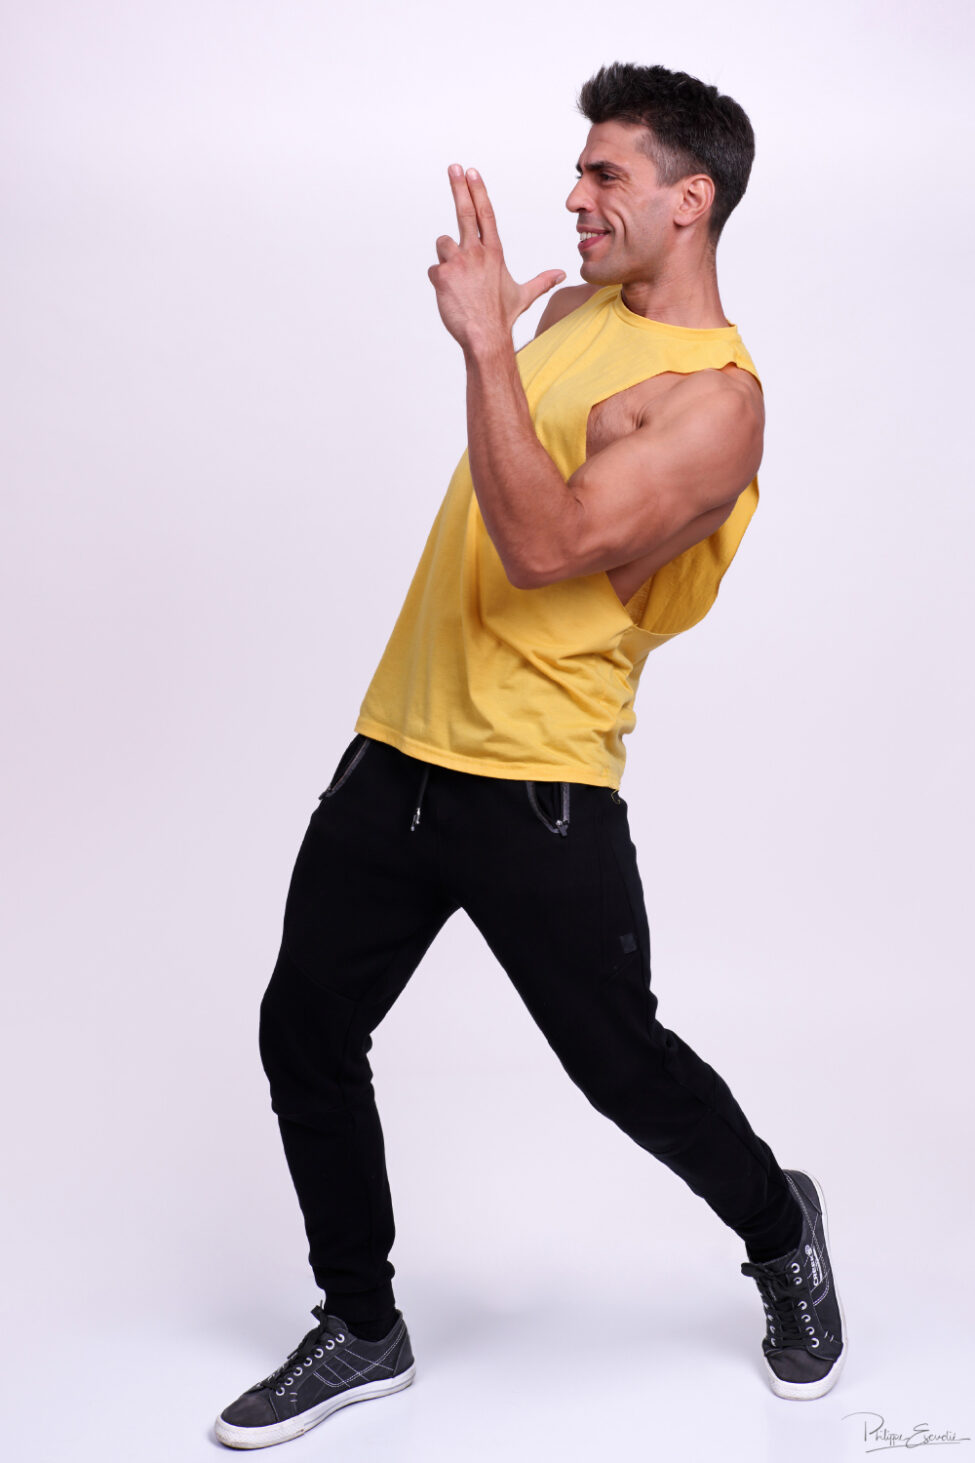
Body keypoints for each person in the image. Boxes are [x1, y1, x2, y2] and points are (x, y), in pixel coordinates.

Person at [214, 61, 845, 1451]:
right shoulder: (571, 313)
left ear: (692, 199)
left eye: (606, 173)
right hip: (398, 746)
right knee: (304, 1026)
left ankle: (778, 1226)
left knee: (619, 1065)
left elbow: (547, 545)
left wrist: (483, 354)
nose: (575, 197)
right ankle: (362, 1325)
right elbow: (524, 458)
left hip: (541, 787)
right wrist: (507, 338)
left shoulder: (718, 403)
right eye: (579, 170)